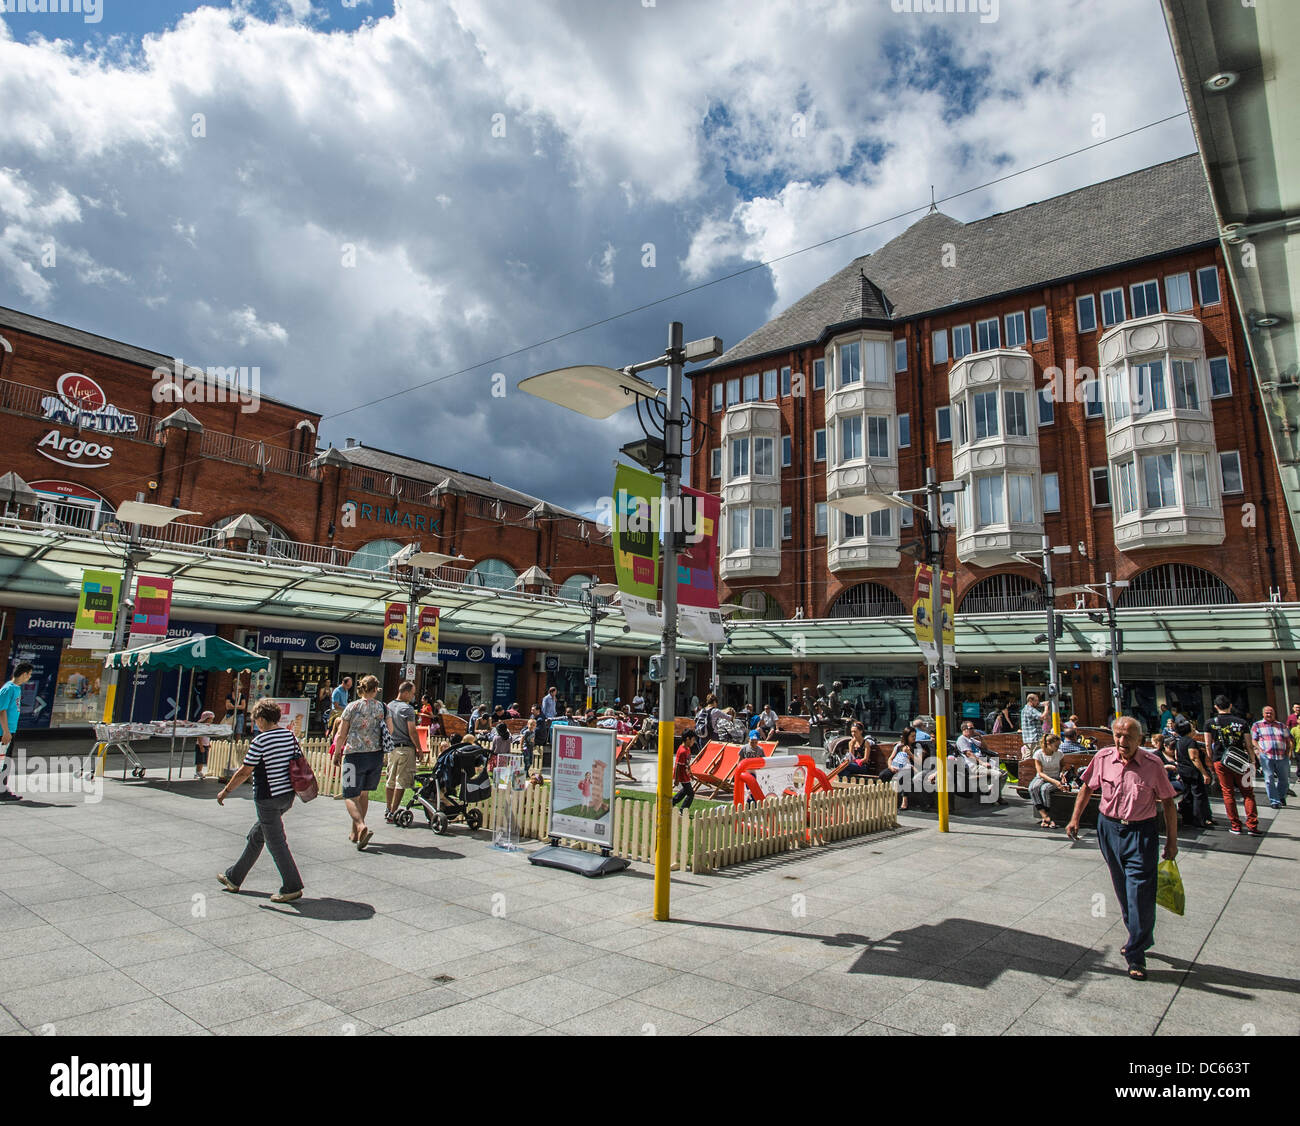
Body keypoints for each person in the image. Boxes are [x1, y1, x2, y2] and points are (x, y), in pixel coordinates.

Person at [1066, 716, 1177, 981]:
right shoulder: (1103, 758)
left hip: (1141, 832)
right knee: (1122, 889)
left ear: (1140, 739)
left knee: (1139, 890)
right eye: (1117, 735)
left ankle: (1136, 954)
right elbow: (1086, 788)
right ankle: (1140, 935)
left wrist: (1172, 842)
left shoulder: (1153, 764)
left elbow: (1169, 804)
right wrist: (1075, 818)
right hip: (1109, 829)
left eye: (1128, 736)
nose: (1122, 741)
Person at [216, 699, 305, 903]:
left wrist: (226, 791)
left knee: (276, 843)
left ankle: (292, 886)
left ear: (263, 720)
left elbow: (244, 771)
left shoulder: (261, 741)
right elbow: (297, 760)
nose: (255, 723)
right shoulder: (289, 736)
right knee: (257, 836)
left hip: (268, 798)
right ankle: (234, 877)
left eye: (255, 719)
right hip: (287, 796)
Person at [335, 674, 387, 850]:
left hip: (354, 754)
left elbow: (342, 733)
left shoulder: (352, 707)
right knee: (363, 794)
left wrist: (336, 752)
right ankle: (355, 833)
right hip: (375, 755)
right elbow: (390, 729)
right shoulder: (382, 707)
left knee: (350, 794)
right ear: (375, 689)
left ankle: (360, 825)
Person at [1205, 694, 1261, 836]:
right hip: (1242, 761)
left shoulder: (1210, 723)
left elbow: (1207, 744)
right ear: (1230, 706)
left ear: (1216, 707)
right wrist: (1253, 761)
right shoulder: (1242, 722)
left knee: (1228, 792)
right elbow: (1248, 745)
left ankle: (1235, 825)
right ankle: (1252, 825)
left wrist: (1210, 761)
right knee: (1248, 793)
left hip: (1221, 761)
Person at [384, 680, 418, 823]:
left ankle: (388, 808)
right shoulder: (407, 709)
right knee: (401, 781)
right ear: (405, 692)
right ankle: (393, 810)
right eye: (412, 693)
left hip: (392, 747)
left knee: (390, 779)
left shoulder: (389, 706)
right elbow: (412, 731)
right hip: (405, 748)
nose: (412, 696)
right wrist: (419, 748)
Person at [0, 662, 34, 802]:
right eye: (29, 674)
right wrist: (6, 732)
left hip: (10, 731)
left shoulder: (16, 689)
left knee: (5, 761)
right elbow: (1, 710)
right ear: (24, 673)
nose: (29, 677)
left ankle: (2, 788)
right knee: (4, 762)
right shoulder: (8, 689)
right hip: (4, 732)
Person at [1172, 717, 1213, 829]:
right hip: (1193, 772)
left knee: (1188, 794)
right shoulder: (1191, 742)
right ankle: (1200, 819)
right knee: (1198, 795)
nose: (1194, 729)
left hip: (1183, 771)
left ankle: (1188, 818)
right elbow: (1194, 758)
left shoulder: (1179, 742)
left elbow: (1177, 756)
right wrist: (1204, 773)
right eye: (1192, 727)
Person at [1250, 704, 1292, 810]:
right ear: (1263, 714)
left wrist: (1288, 752)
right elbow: (1253, 740)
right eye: (1267, 713)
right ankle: (1274, 801)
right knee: (1269, 779)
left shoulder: (1281, 725)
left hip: (1282, 757)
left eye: (1271, 712)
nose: (1269, 714)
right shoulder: (1257, 725)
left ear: (1274, 713)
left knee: (1284, 780)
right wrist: (1259, 750)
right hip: (1266, 757)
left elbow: (1289, 740)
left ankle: (1281, 796)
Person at [1029, 731, 1069, 828]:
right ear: (1048, 744)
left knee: (1045, 789)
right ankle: (1045, 816)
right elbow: (1040, 773)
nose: (1058, 748)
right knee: (1033, 788)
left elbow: (1063, 766)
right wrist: (1055, 782)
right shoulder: (1038, 754)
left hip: (1055, 776)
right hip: (1043, 776)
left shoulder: (1059, 754)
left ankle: (1046, 818)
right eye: (1056, 745)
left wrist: (1062, 773)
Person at [672, 729, 697, 809]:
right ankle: (683, 810)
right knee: (691, 794)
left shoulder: (687, 749)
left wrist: (691, 774)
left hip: (685, 775)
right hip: (682, 776)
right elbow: (677, 766)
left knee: (685, 791)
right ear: (687, 739)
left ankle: (672, 802)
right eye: (693, 740)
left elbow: (687, 764)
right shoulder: (682, 751)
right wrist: (676, 779)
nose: (694, 742)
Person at [194, 710, 216, 780]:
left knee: (203, 759)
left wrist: (208, 743)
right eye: (211, 719)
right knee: (200, 759)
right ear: (206, 719)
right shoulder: (202, 726)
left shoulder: (208, 726)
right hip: (201, 745)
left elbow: (207, 736)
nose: (212, 720)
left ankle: (199, 771)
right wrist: (201, 746)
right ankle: (198, 771)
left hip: (205, 744)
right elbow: (199, 737)